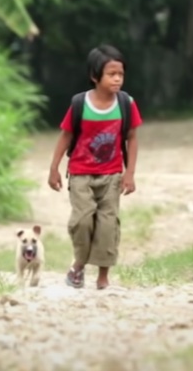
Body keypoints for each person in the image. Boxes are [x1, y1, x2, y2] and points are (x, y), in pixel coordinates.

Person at [47, 44, 143, 290]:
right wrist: (54, 167)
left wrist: (129, 173)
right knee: (82, 221)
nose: (117, 79)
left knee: (107, 224)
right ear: (94, 76)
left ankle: (103, 276)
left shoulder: (125, 103)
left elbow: (132, 138)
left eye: (121, 74)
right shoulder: (80, 103)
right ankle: (78, 264)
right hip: (80, 174)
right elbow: (66, 136)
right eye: (111, 74)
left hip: (111, 175)